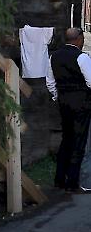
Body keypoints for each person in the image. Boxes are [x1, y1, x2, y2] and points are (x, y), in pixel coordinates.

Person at [46, 27, 91, 193]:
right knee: (78, 143)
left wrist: (59, 97)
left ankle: (59, 180)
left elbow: (50, 82)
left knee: (66, 140)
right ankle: (73, 183)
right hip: (81, 104)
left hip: (64, 103)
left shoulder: (54, 56)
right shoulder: (82, 57)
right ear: (79, 39)